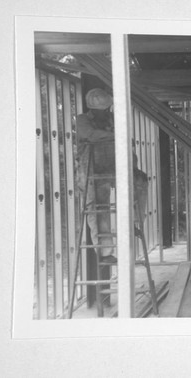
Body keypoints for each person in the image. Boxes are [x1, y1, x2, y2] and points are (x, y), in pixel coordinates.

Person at [76, 88, 148, 264]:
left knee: (140, 181)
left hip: (115, 167)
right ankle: (105, 251)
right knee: (99, 207)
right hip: (92, 171)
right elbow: (90, 135)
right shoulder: (82, 120)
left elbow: (126, 142)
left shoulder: (112, 119)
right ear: (92, 110)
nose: (106, 113)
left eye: (107, 109)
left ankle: (134, 223)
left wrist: (133, 166)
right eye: (102, 111)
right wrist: (115, 136)